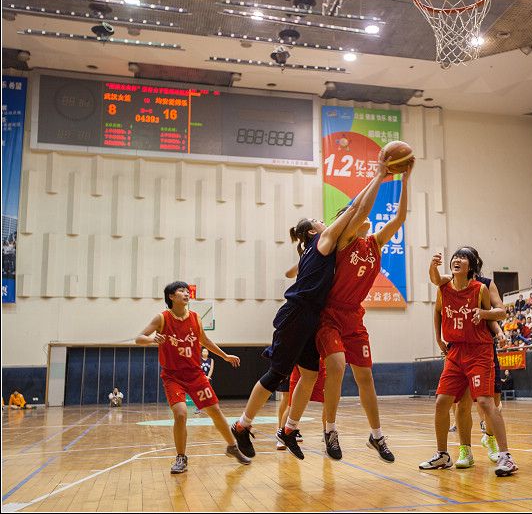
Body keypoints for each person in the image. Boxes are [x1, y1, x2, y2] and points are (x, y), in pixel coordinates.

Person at [230, 160, 389, 461]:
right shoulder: (323, 240)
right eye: (318, 219)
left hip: (312, 318)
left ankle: (289, 429)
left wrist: (376, 180)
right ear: (312, 231)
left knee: (311, 375)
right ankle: (242, 424)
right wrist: (378, 176)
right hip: (297, 313)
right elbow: (356, 210)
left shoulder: (323, 245)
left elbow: (356, 214)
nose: (323, 221)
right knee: (277, 374)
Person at [315, 163, 412, 462]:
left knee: (366, 378)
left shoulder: (375, 243)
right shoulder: (344, 242)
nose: (366, 218)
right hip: (330, 315)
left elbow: (400, 218)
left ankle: (376, 435)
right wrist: (379, 176)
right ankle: (330, 429)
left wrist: (405, 180)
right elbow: (356, 210)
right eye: (358, 216)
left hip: (354, 317)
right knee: (336, 366)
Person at [419, 248, 517, 477]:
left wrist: (484, 316)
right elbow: (436, 304)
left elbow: (496, 313)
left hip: (478, 351)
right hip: (455, 352)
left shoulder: (481, 288)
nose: (457, 260)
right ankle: (443, 454)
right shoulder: (444, 287)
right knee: (442, 402)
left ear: (471, 266)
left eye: (463, 258)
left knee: (485, 401)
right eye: (455, 257)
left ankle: (506, 456)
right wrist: (438, 338)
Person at [136, 281, 250, 473]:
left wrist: (224, 356)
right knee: (181, 414)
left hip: (195, 374)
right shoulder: (162, 318)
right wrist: (151, 339)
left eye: (187, 291)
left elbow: (205, 340)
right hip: (172, 376)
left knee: (215, 410)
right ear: (171, 296)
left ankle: (232, 447)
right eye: (181, 291)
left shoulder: (196, 318)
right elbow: (139, 338)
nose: (186, 293)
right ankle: (181, 457)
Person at [194, 348, 215, 415]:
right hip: (200, 378)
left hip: (208, 379)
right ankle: (198, 408)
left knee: (209, 394)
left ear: (208, 353)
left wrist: (208, 377)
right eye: (204, 351)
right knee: (200, 394)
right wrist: (203, 377)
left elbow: (211, 369)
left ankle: (210, 409)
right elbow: (198, 369)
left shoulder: (211, 360)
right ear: (201, 353)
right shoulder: (199, 359)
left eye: (206, 351)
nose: (205, 352)